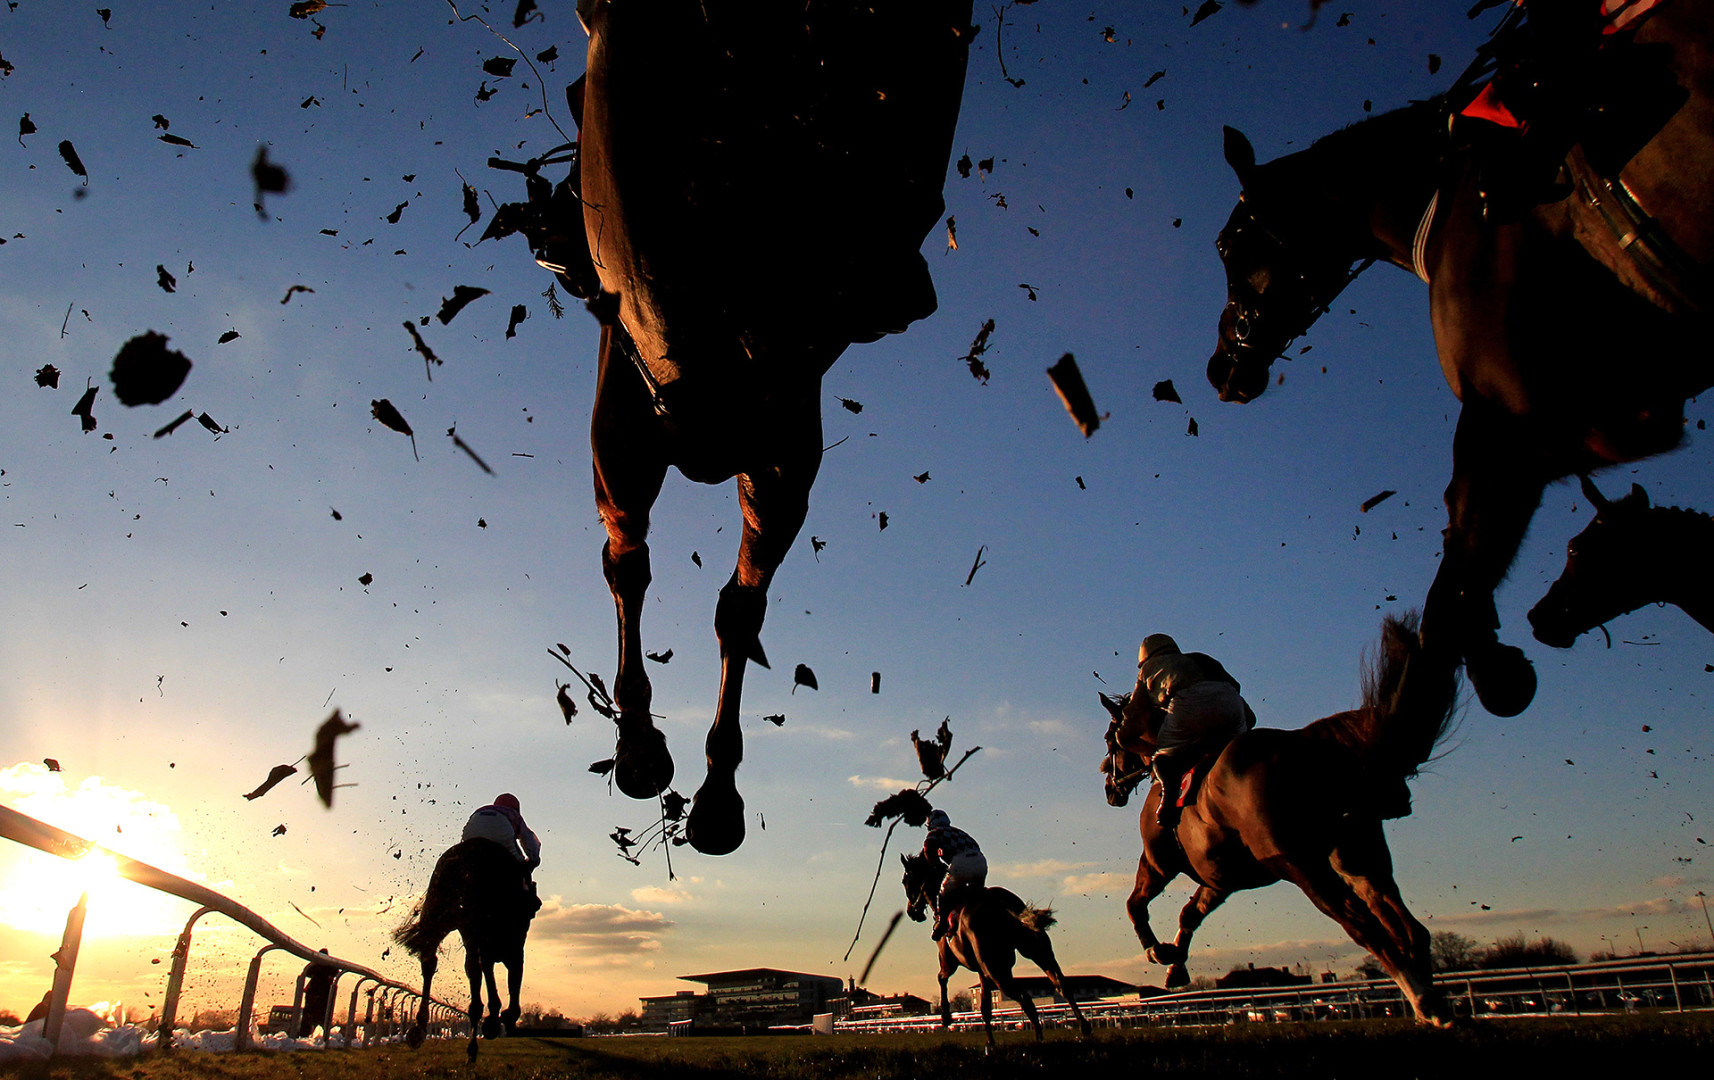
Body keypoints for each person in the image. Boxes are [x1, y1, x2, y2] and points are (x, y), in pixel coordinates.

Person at [1128, 634, 1256, 829]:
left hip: (1188, 703)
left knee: (1161, 757)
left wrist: (1125, 734)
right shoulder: (1202, 658)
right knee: (1240, 741)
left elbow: (1135, 717)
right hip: (1230, 701)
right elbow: (1236, 688)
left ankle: (1168, 802)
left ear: (1145, 659)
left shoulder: (1147, 670)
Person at [463, 794, 542, 904]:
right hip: (501, 830)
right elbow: (528, 839)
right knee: (520, 865)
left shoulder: (482, 809)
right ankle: (525, 900)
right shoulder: (513, 814)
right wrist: (534, 858)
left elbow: (469, 830)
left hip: (472, 832)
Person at [921, 809, 986, 941]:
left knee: (944, 894)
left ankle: (943, 923)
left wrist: (936, 865)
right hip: (981, 862)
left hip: (961, 864)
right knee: (977, 894)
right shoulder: (960, 832)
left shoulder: (935, 833)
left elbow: (929, 849)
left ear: (931, 824)